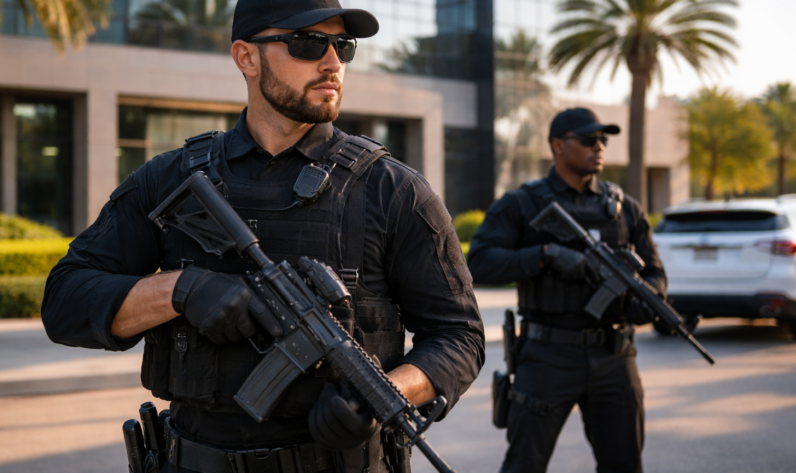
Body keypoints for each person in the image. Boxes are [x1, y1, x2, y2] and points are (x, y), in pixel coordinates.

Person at [41, 1, 485, 472]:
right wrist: (178, 290)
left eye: (342, 46)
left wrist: (387, 395)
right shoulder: (171, 179)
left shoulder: (393, 191)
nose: (332, 62)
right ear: (246, 58)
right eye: (308, 43)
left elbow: (459, 336)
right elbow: (65, 301)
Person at [468, 108, 666, 473]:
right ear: (558, 145)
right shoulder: (523, 203)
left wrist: (646, 299)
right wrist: (545, 254)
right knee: (524, 464)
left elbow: (655, 273)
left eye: (603, 140)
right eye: (589, 139)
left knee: (624, 464)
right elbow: (479, 261)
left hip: (614, 357)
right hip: (547, 356)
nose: (599, 147)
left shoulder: (624, 209)